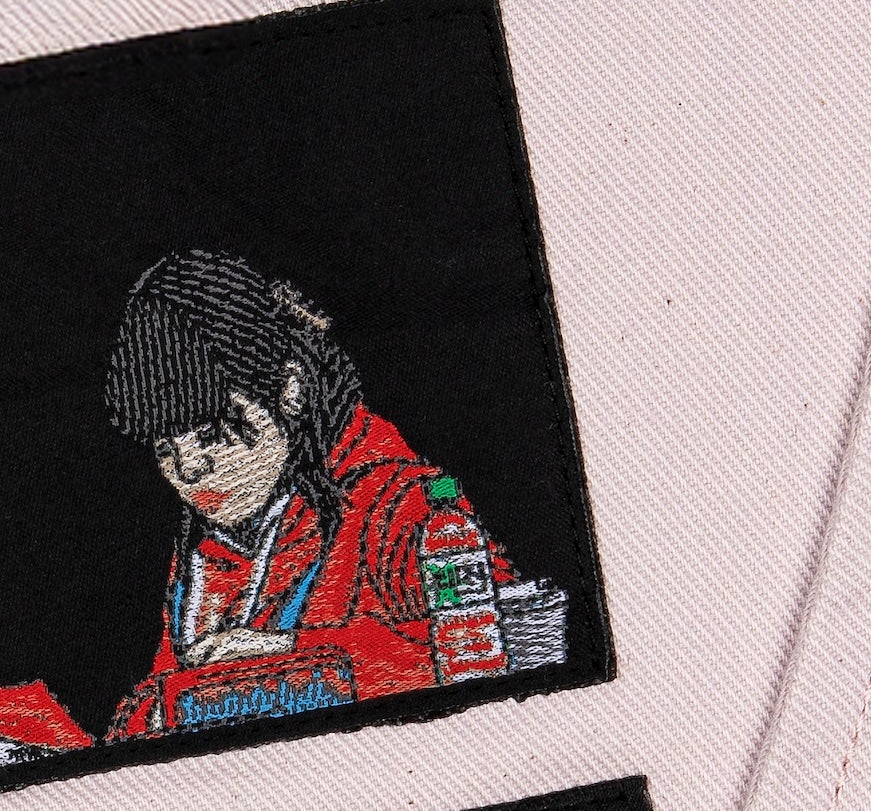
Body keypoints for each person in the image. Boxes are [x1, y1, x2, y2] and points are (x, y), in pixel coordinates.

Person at [96, 248, 564, 743]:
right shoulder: (208, 549)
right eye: (166, 449)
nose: (190, 469)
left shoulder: (404, 505)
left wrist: (288, 656)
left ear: (290, 389)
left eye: (213, 432)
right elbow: (160, 702)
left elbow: (494, 656)